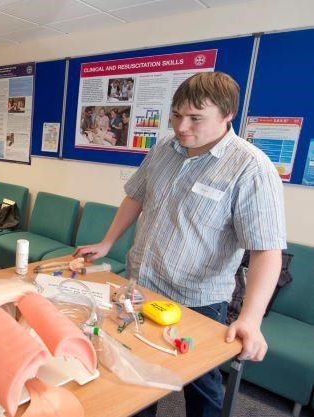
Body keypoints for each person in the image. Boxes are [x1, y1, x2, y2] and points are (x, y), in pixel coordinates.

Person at [75, 71, 285, 417]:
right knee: (140, 376)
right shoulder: (163, 150)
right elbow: (135, 198)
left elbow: (266, 249)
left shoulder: (251, 168)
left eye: (195, 118)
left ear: (227, 115)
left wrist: (251, 318)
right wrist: (107, 242)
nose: (181, 126)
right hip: (143, 288)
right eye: (176, 114)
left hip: (197, 302)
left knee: (201, 391)